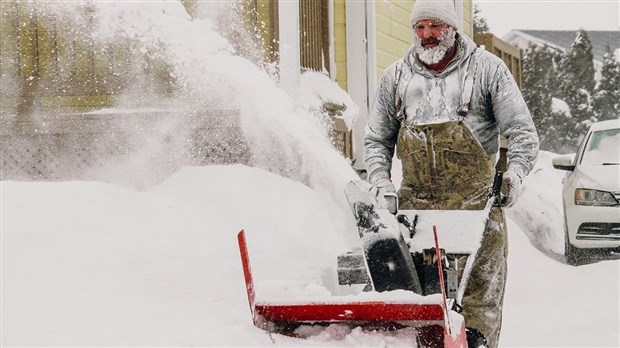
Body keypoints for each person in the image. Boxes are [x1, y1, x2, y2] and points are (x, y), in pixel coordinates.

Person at [363, 0, 539, 347]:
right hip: (416, 216)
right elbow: (376, 139)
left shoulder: (488, 70)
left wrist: (514, 176)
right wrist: (381, 181)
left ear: (452, 27)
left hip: (476, 212)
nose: (426, 35)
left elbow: (522, 133)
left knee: (477, 314)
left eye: (434, 26)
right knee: (414, 312)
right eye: (419, 27)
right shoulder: (396, 77)